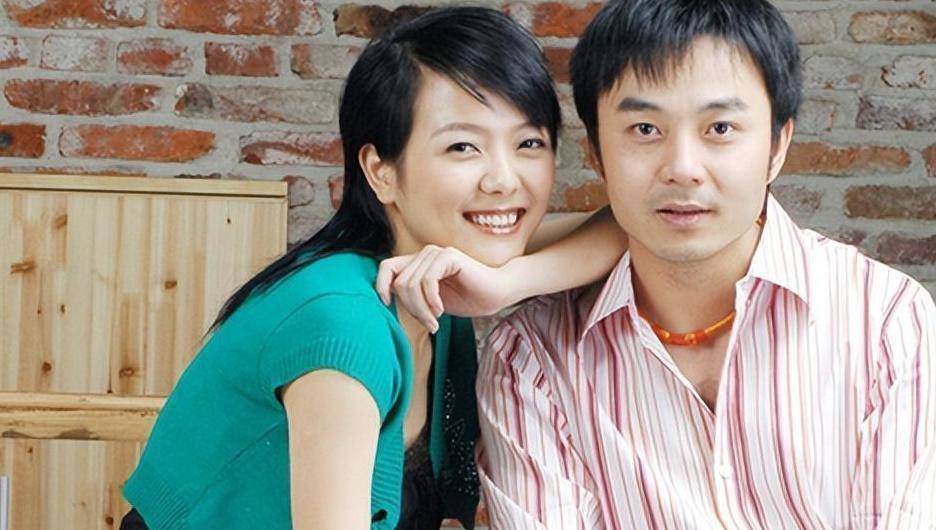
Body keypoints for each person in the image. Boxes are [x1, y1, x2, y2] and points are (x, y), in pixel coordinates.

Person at [120, 7, 626, 530]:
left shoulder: (437, 261)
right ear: (380, 172)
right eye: (463, 147)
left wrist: (506, 285)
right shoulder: (344, 324)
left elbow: (631, 225)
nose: (503, 179)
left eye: (529, 143)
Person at [474, 0, 936, 528]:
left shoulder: (887, 322)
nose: (683, 168)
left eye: (719, 128)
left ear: (778, 146)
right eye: (645, 129)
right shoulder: (533, 362)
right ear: (597, 153)